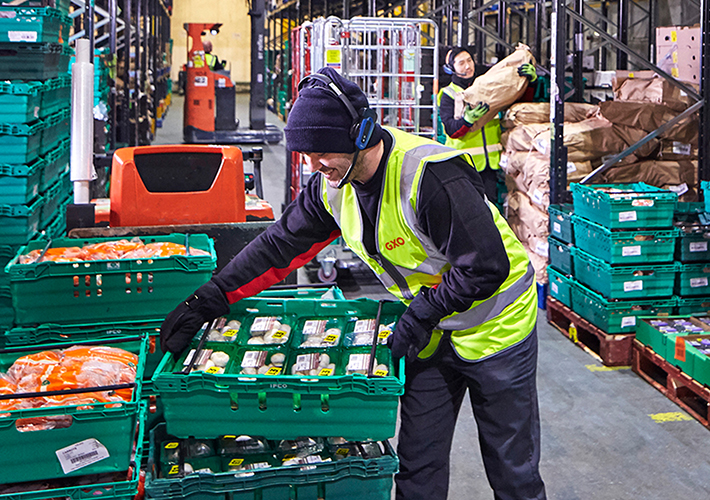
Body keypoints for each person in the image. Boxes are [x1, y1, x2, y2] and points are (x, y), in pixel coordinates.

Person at [160, 67, 546, 500]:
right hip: (434, 333)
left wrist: (422, 312)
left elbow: (486, 267)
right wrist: (209, 297)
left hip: (497, 331)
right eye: (306, 155)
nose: (314, 166)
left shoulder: (431, 177)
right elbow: (277, 247)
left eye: (321, 153)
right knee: (417, 466)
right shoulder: (333, 185)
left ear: (361, 134)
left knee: (511, 470)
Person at [437, 46, 538, 202]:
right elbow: (451, 130)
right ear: (451, 69)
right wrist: (466, 121)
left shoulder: (489, 88)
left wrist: (529, 84)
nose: (468, 66)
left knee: (490, 209)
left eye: (469, 60)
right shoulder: (449, 94)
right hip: (465, 165)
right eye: (461, 63)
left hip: (491, 165)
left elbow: (518, 106)